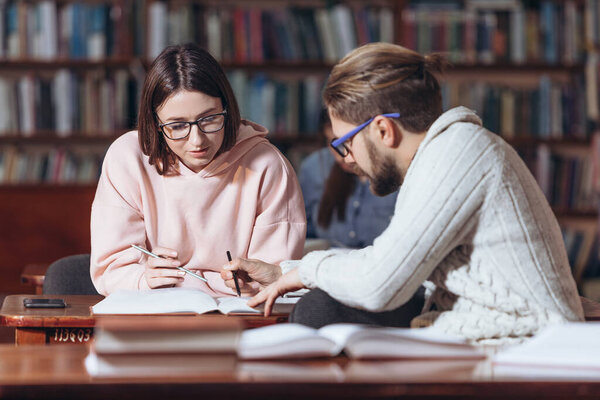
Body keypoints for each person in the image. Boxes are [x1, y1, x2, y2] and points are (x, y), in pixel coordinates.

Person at [221, 42, 584, 344]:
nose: (347, 160)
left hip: (521, 344)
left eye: (345, 143)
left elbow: (380, 285)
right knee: (321, 310)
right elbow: (391, 261)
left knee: (320, 313)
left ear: (383, 130)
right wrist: (284, 271)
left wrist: (307, 271)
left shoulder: (459, 153)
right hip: (478, 331)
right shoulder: (442, 154)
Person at [90, 43, 306, 297]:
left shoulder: (268, 166)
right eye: (177, 125)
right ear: (155, 122)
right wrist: (142, 277)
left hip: (238, 316)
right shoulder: (127, 158)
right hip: (153, 310)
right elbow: (111, 270)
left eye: (209, 119)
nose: (197, 141)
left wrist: (252, 284)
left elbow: (276, 278)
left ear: (228, 109)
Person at [299, 110, 397, 248]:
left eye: (349, 142)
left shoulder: (398, 171)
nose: (343, 157)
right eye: (334, 143)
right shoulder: (314, 168)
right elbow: (304, 234)